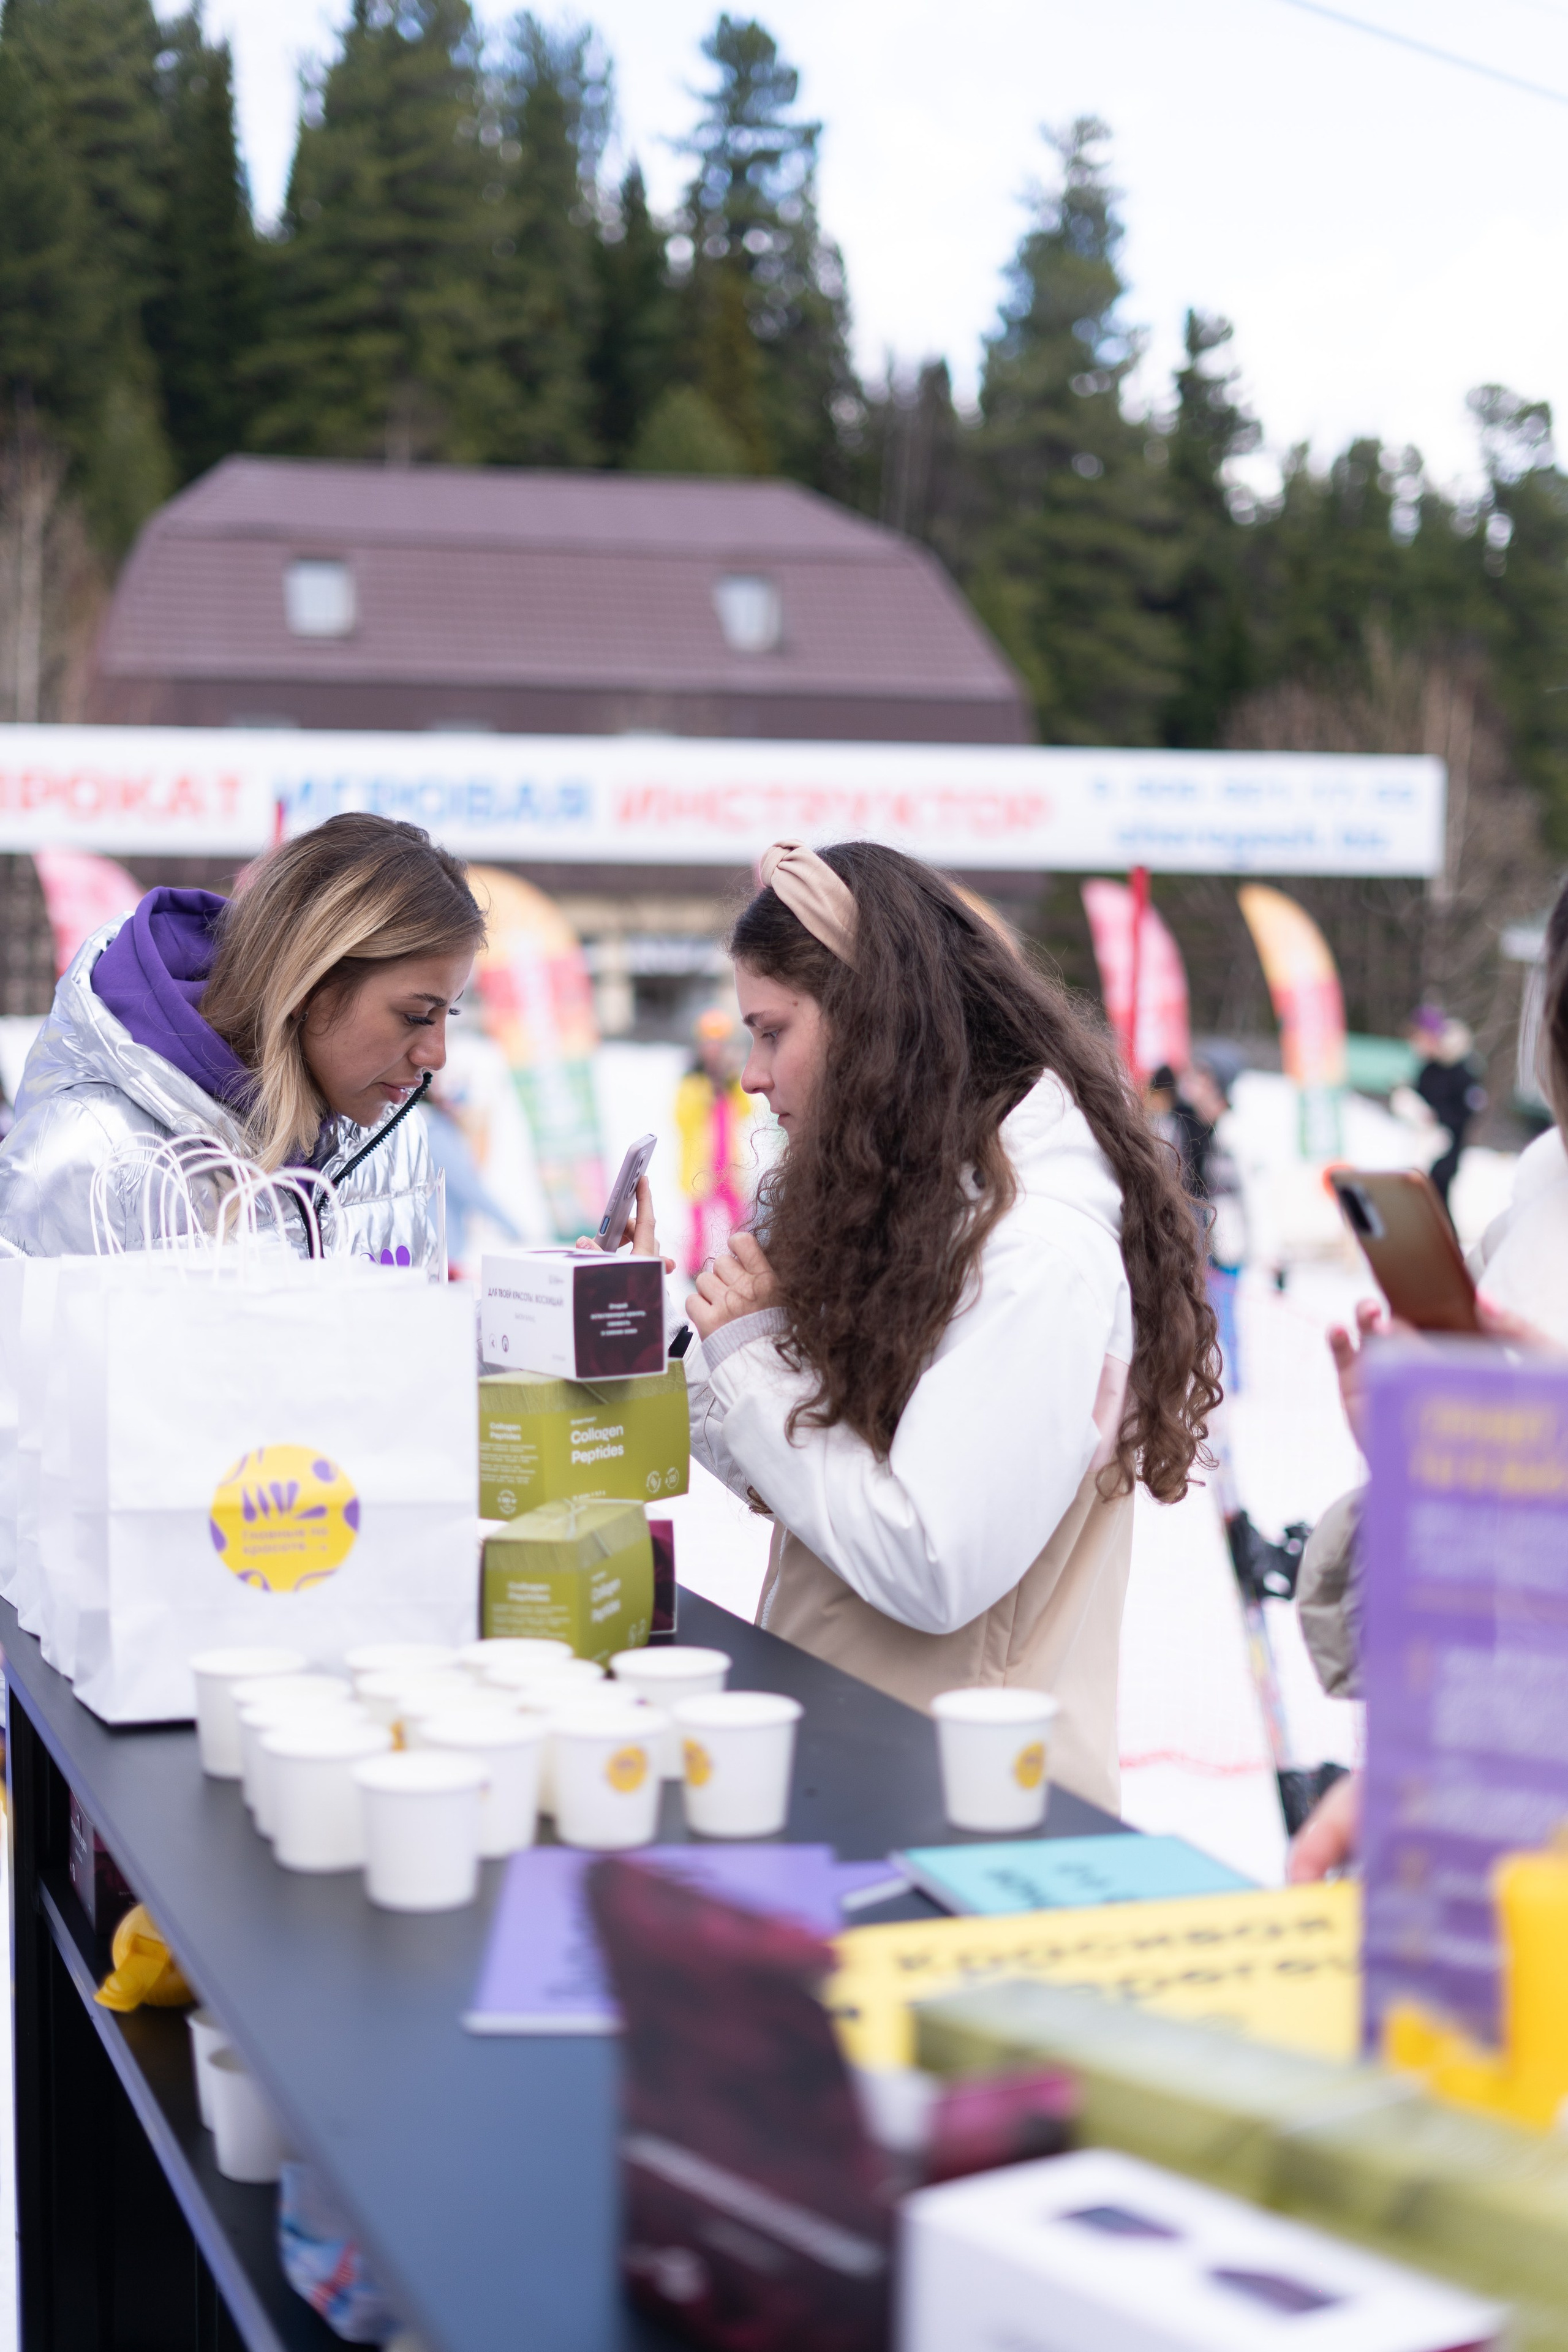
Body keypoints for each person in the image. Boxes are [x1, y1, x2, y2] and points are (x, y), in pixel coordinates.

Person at [646, 839, 1221, 1813]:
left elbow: (928, 1561)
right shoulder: (934, 1209)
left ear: (875, 1023)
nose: (750, 1074)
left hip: (959, 1822)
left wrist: (751, 1362)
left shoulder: (1033, 1254)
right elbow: (816, 1484)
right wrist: (665, 1335)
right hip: (872, 1776)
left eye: (773, 1031)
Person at [0, 813, 485, 1259]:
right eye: (416, 1016)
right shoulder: (90, 1153)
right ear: (308, 986)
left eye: (450, 1014)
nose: (436, 1055)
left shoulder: (391, 1137)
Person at [674, 1005, 758, 1276]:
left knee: (738, 1217)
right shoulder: (691, 1081)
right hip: (700, 1167)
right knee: (698, 1224)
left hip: (728, 1166)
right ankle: (693, 1266)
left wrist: (731, 1084)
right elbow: (681, 1116)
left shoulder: (732, 1081)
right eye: (710, 1044)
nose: (715, 1050)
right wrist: (707, 1093)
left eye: (719, 1044)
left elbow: (746, 1111)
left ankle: (745, 1259)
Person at [1406, 1003, 1487, 1221]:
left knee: (1438, 1198)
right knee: (1420, 1201)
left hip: (1448, 1148)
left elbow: (1469, 1109)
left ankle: (1448, 1249)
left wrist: (1439, 1118)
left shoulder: (1461, 1069)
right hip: (1424, 1146)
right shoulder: (1427, 1069)